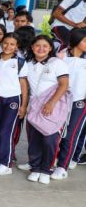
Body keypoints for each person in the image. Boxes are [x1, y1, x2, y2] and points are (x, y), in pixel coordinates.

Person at [23, 35, 70, 185]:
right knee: (34, 140)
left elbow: (64, 84)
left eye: (45, 46)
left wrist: (51, 103)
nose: (41, 48)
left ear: (50, 48)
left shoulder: (57, 63)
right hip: (34, 106)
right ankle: (35, 168)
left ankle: (46, 169)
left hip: (52, 107)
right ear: (32, 47)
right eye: (37, 45)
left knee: (50, 140)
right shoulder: (28, 64)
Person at [0, 32, 28, 176]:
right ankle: (1, 160)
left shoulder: (20, 62)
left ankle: (7, 164)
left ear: (16, 47)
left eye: (12, 44)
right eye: (6, 43)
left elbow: (23, 85)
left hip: (12, 101)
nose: (8, 46)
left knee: (6, 131)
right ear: (1, 43)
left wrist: (23, 106)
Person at [52, 28, 86, 179]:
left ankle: (62, 166)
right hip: (60, 100)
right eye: (84, 41)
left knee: (70, 134)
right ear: (76, 42)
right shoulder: (61, 55)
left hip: (80, 102)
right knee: (54, 133)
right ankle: (49, 160)